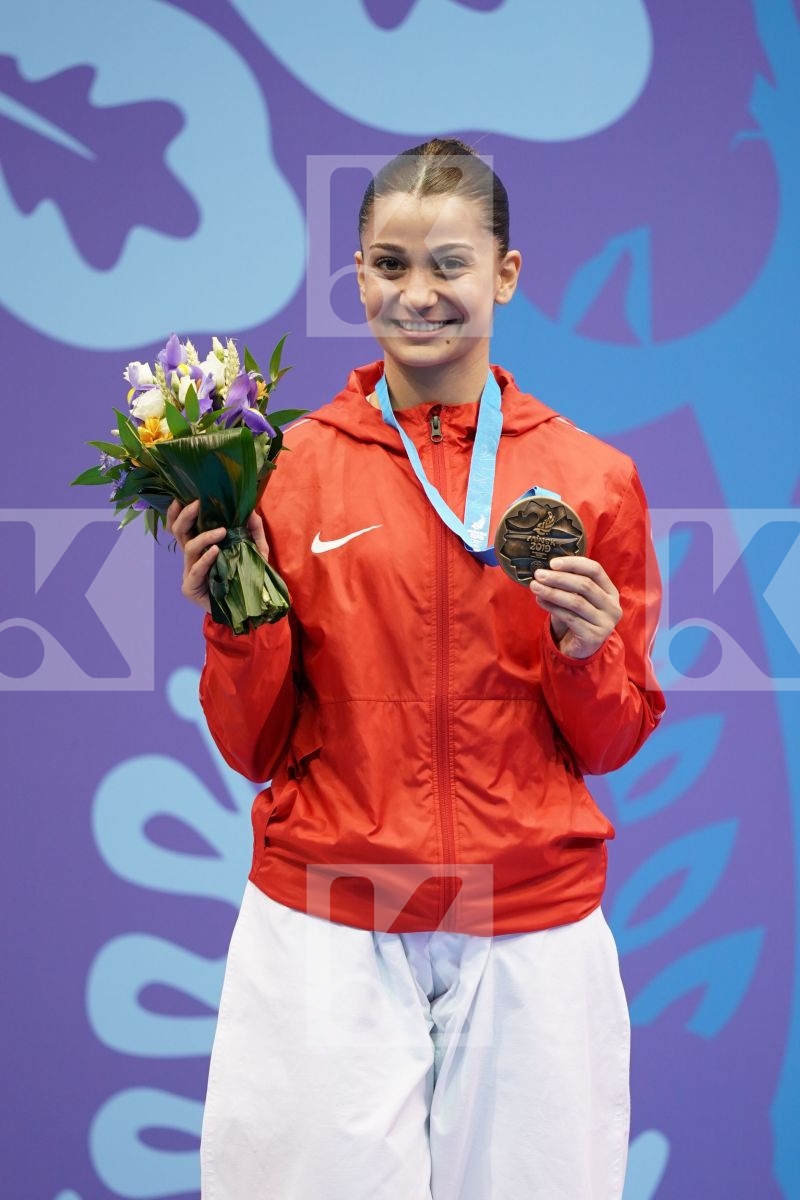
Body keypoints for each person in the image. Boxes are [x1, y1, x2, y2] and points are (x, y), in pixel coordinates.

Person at [167, 138, 665, 1200]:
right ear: (357, 278)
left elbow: (612, 740)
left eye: (450, 263)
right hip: (327, 913)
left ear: (506, 274)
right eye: (390, 265)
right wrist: (236, 621)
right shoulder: (281, 472)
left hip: (528, 918)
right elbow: (253, 747)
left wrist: (586, 653)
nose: (419, 292)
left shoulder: (592, 478)